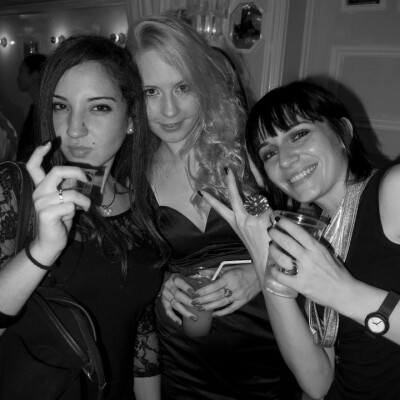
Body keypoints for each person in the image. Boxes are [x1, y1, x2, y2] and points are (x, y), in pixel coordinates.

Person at [128, 15, 299, 400]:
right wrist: (161, 285)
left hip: (270, 351)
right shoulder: (133, 175)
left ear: (203, 83)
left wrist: (259, 273)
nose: (169, 110)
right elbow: (127, 276)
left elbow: (323, 229)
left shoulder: (251, 149)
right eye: (151, 92)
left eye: (182, 87)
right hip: (184, 364)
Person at [202, 80, 400, 399]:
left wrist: (343, 292)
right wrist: (263, 256)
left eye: (298, 134)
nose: (285, 159)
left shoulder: (392, 192)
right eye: (269, 153)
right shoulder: (315, 236)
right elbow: (318, 382)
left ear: (343, 132)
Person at [0, 35, 163, 400]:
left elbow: (140, 326)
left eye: (98, 107)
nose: (74, 129)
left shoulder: (141, 203)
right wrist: (42, 250)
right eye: (61, 106)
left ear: (132, 118)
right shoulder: (15, 188)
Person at [16, 53, 47, 161]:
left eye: (21, 71)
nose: (17, 77)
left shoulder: (43, 111)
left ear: (34, 76)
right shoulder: (37, 107)